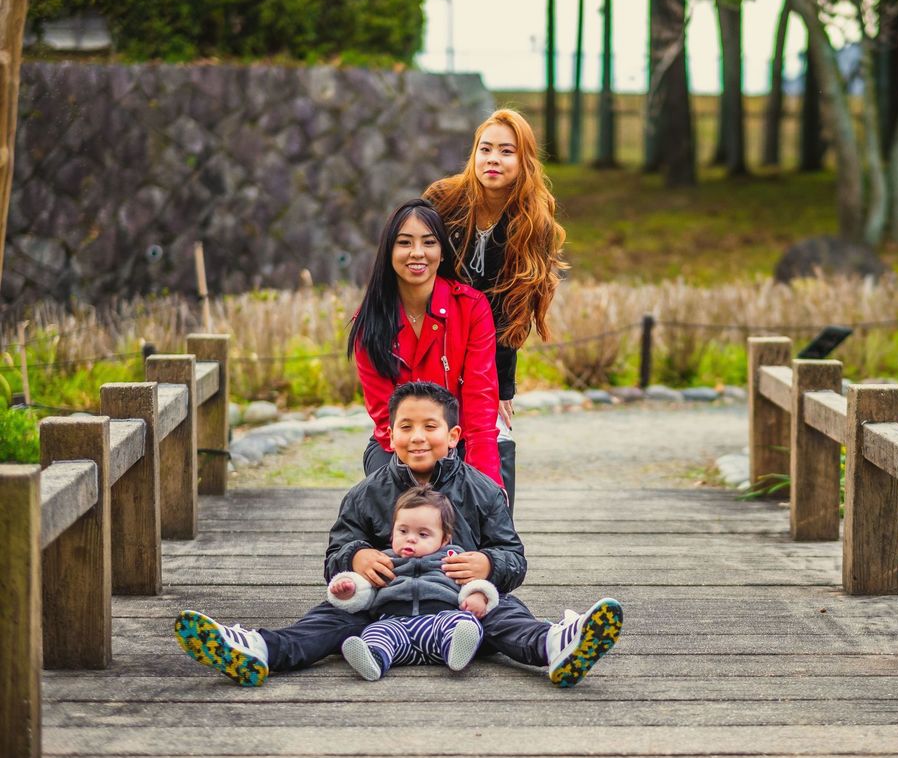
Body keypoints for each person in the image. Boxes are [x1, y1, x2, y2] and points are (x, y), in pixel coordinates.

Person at [174, 381, 622, 688]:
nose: (418, 437)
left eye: (431, 427)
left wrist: (487, 565)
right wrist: (356, 558)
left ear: (454, 435)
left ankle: (556, 645)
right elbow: (336, 552)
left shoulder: (482, 489)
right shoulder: (367, 493)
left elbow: (512, 555)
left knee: (508, 615)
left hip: (459, 607)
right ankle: (256, 650)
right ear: (389, 435)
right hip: (382, 612)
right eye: (406, 427)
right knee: (323, 622)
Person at [424, 108, 569, 506]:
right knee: (430, 430)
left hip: (486, 348)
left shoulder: (533, 220)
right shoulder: (442, 200)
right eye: (485, 149)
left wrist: (501, 387)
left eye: (506, 151)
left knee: (492, 434)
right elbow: (413, 267)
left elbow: (515, 311)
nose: (493, 159)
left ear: (524, 161)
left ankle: (494, 534)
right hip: (432, 337)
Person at [347, 197, 501, 485]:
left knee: (485, 510)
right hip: (399, 444)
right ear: (388, 252)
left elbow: (480, 403)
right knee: (406, 509)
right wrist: (425, 476)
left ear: (442, 252)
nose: (417, 253)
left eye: (429, 242)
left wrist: (489, 485)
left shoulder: (471, 308)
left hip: (459, 439)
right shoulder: (369, 322)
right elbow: (385, 417)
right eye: (405, 243)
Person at [327, 484, 499, 680]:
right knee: (375, 632)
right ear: (392, 533)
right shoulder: (383, 560)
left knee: (463, 622)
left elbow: (471, 582)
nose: (411, 539)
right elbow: (366, 591)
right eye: (403, 531)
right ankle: (374, 660)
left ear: (444, 540)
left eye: (423, 534)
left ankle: (456, 648)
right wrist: (349, 589)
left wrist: (478, 595)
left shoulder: (452, 558)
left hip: (437, 624)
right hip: (395, 625)